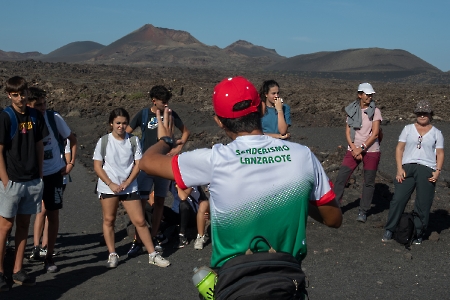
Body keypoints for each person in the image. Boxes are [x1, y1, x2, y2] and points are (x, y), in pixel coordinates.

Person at [139, 76, 342, 272]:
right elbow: (334, 219)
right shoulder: (302, 156)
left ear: (219, 121)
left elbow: (148, 162)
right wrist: (292, 194)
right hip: (287, 280)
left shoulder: (214, 160)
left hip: (235, 281)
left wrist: (165, 139)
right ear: (262, 109)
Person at [93, 108, 170, 268]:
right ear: (111, 124)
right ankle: (112, 253)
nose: (121, 126)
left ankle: (152, 254)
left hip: (129, 186)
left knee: (140, 221)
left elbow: (138, 164)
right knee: (109, 219)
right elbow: (97, 166)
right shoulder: (104, 141)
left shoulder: (133, 141)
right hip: (109, 187)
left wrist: (127, 182)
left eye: (124, 123)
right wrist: (110, 183)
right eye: (118, 123)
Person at [125, 85, 190, 256]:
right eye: (163, 102)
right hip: (146, 165)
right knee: (141, 201)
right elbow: (127, 133)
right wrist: (134, 153)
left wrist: (177, 149)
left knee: (160, 201)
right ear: (154, 100)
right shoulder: (144, 114)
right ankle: (138, 240)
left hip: (163, 164)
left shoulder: (171, 114)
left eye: (168, 101)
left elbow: (185, 132)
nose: (166, 105)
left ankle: (153, 236)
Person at [0, 76, 48, 289]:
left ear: (28, 93)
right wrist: (5, 181)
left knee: (24, 225)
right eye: (15, 95)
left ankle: (17, 269)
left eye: (23, 94)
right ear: (9, 95)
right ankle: (1, 271)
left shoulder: (36, 115)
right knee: (5, 227)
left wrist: (40, 175)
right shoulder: (5, 117)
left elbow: (39, 145)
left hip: (32, 180)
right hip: (12, 181)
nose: (20, 98)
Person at [26, 87, 77, 273]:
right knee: (28, 214)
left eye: (44, 103)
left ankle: (49, 256)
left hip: (54, 173)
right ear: (28, 104)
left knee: (52, 214)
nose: (42, 107)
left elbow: (71, 138)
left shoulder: (54, 117)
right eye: (38, 105)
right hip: (31, 174)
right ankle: (32, 250)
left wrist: (70, 163)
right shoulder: (25, 120)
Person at [382, 100, 444, 244]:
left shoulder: (437, 133)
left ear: (430, 114)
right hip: (407, 167)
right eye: (419, 113)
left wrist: (437, 171)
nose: (422, 115)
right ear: (416, 114)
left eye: (425, 113)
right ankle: (390, 229)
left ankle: (418, 232)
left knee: (423, 202)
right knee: (398, 199)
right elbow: (399, 149)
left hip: (427, 168)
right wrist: (399, 168)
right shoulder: (408, 129)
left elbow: (440, 153)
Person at [333, 83, 382, 222]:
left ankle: (363, 210)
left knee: (368, 181)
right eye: (367, 94)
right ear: (360, 95)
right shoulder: (352, 110)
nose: (369, 97)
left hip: (371, 150)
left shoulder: (375, 111)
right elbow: (348, 131)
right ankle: (335, 208)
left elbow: (375, 133)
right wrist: (354, 148)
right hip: (353, 149)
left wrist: (362, 147)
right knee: (341, 178)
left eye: (371, 94)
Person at [170, 184, 210, 249]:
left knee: (183, 204)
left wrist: (177, 186)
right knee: (150, 207)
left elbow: (183, 197)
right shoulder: (169, 182)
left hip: (192, 215)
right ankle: (158, 235)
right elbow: (153, 195)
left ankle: (182, 235)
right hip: (177, 213)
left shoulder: (191, 182)